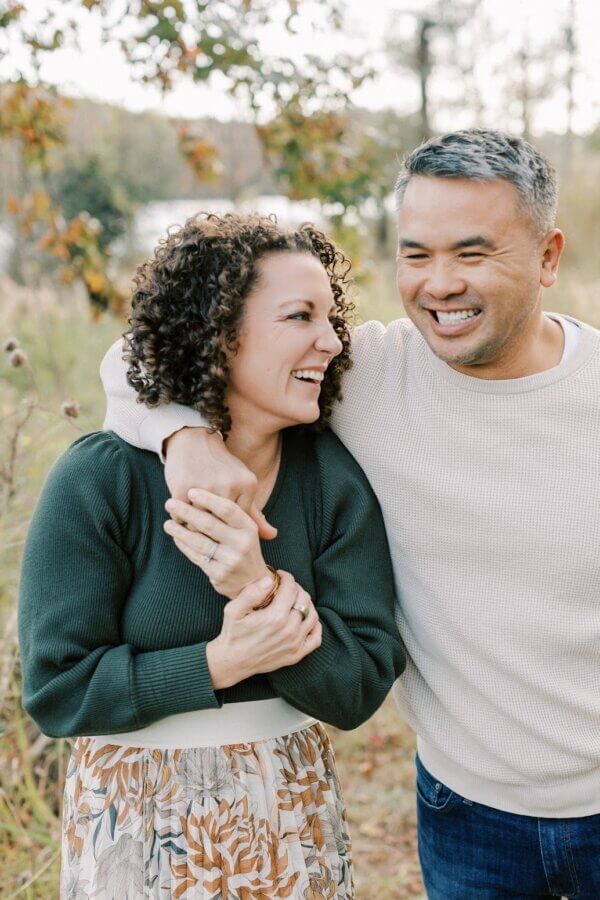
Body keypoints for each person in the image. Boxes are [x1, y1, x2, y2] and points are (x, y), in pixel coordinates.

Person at [101, 129, 600, 899]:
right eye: (416, 254)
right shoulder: (365, 376)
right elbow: (144, 351)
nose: (439, 285)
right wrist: (184, 433)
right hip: (467, 817)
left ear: (547, 256)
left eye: (472, 255)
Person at [19, 213, 406, 899]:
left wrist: (253, 583)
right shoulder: (99, 480)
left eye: (331, 316)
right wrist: (220, 663)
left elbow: (356, 690)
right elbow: (56, 689)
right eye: (299, 316)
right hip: (133, 828)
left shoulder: (333, 481)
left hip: (290, 818)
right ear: (219, 333)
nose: (332, 339)